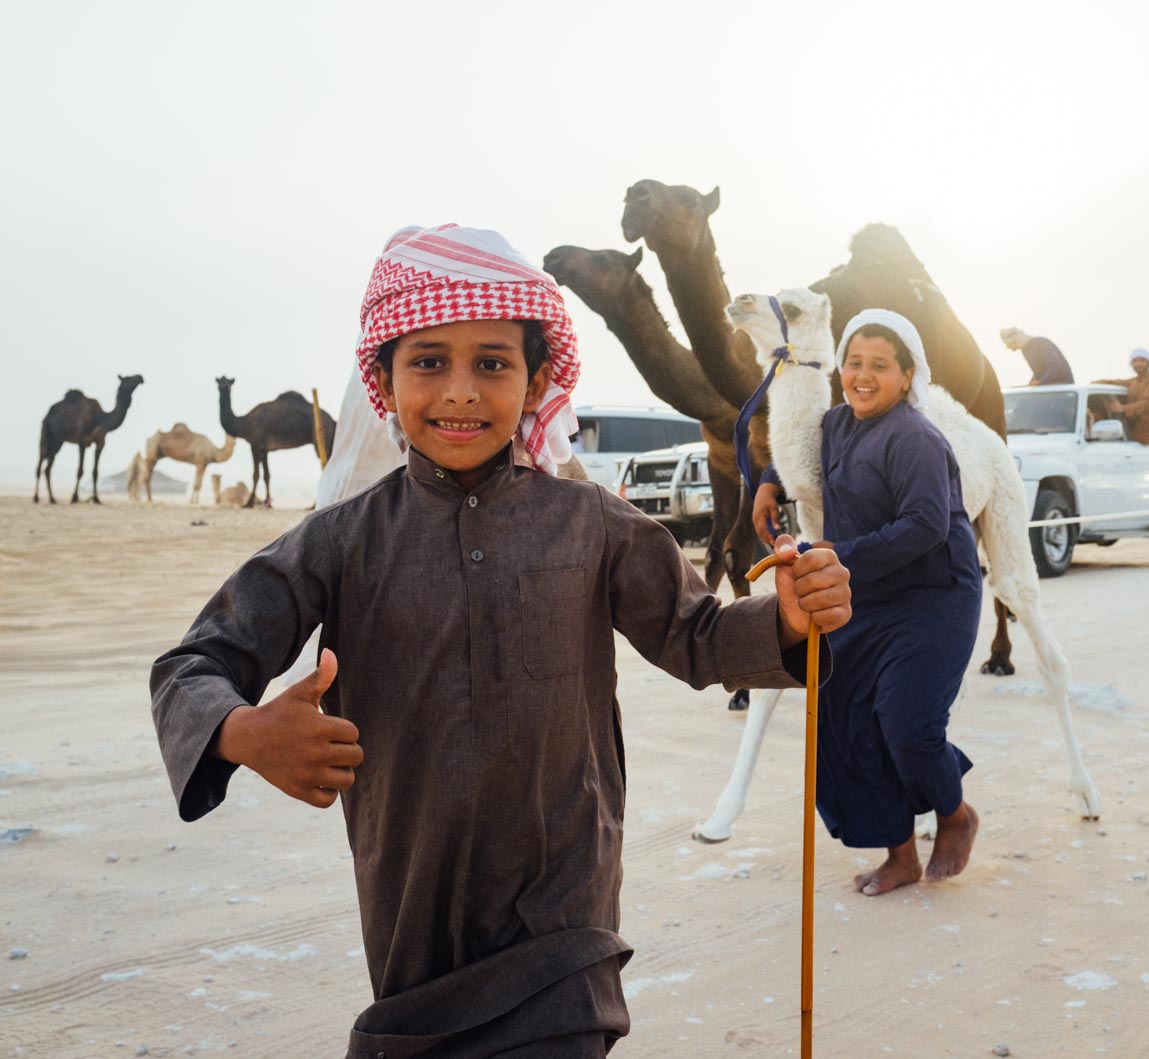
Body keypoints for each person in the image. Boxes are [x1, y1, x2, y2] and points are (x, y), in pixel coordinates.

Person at [149, 224, 853, 1057]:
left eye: (491, 363)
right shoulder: (338, 543)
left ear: (537, 378)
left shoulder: (592, 524)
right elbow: (193, 665)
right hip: (414, 936)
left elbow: (697, 635)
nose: (460, 392)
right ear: (382, 378)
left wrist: (786, 619)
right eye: (428, 362)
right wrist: (243, 731)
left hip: (565, 931)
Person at [753, 310, 983, 898]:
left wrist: (838, 552)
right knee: (847, 722)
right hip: (868, 591)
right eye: (854, 363)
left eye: (879, 366)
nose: (862, 375)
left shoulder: (915, 438)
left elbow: (927, 525)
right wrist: (769, 482)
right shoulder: (839, 423)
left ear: (907, 377)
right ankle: (900, 855)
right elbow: (802, 450)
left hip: (934, 597)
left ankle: (954, 813)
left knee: (907, 725)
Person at [1093, 347, 1149, 444]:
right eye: (1135, 361)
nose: (1138, 363)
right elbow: (1113, 382)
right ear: (1132, 364)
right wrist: (1095, 383)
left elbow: (1145, 403)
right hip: (1131, 433)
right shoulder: (1132, 382)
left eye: (1142, 360)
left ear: (1148, 363)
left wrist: (1122, 408)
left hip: (1147, 435)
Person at [1000, 326, 1074, 385]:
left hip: (1062, 385)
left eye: (1008, 344)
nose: (1008, 347)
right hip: (1047, 386)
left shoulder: (1040, 343)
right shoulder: (1025, 350)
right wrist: (1031, 383)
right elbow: (1038, 373)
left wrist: (1040, 381)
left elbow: (1056, 367)